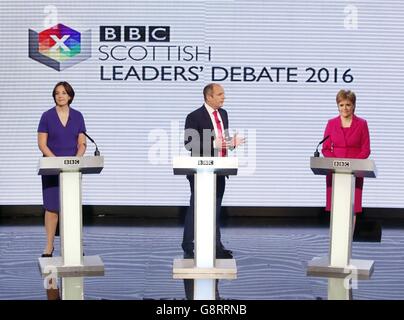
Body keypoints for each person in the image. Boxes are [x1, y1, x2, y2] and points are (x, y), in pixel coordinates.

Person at [182, 83, 245, 259]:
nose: (223, 97)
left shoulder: (223, 114)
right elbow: (189, 144)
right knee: (197, 207)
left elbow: (222, 140)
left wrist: (230, 143)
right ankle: (188, 245)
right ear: (208, 97)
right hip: (200, 171)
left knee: (216, 209)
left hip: (219, 169)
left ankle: (216, 246)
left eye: (223, 94)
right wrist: (212, 144)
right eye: (219, 94)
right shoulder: (194, 116)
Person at [37, 81, 87, 257]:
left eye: (64, 93)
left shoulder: (78, 116)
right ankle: (49, 246)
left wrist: (76, 160)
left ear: (70, 96)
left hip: (72, 171)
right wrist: (56, 162)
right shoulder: (47, 116)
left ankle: (74, 246)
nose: (60, 96)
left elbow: (82, 143)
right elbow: (42, 144)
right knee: (52, 208)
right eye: (57, 93)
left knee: (71, 208)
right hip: (51, 168)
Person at [321, 89, 370, 228]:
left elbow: (366, 149)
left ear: (353, 105)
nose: (345, 108)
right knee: (336, 206)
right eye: (341, 105)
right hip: (335, 172)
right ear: (338, 106)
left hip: (355, 172)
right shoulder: (331, 123)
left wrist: (352, 164)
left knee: (351, 208)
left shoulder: (362, 124)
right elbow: (325, 148)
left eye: (348, 104)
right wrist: (338, 164)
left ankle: (347, 242)